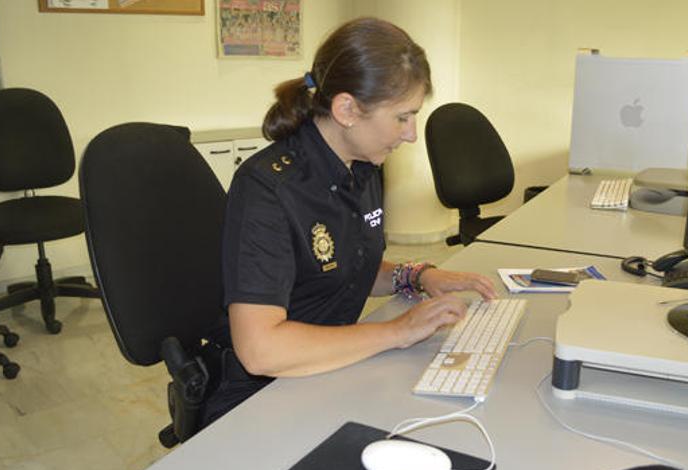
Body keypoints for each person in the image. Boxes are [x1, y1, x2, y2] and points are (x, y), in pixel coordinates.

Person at [202, 17, 497, 424]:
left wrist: (417, 276)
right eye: (402, 117)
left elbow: (346, 267)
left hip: (331, 368)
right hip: (263, 396)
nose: (412, 134)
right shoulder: (268, 189)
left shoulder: (363, 166)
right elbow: (260, 350)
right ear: (346, 109)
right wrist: (397, 331)